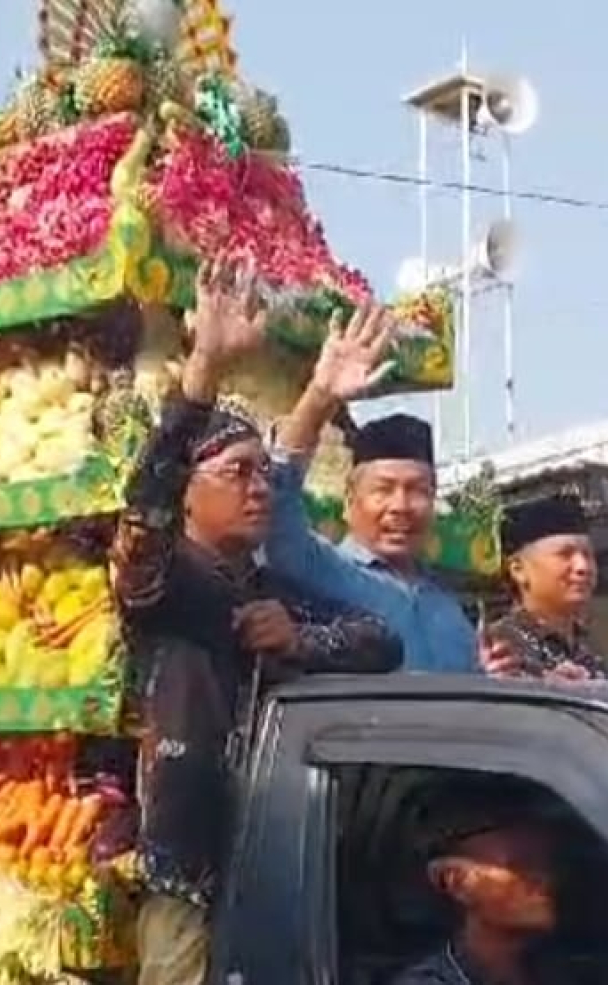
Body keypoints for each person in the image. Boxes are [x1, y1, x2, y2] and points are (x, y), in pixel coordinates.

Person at [111, 257, 403, 985]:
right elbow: (143, 509)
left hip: (281, 867)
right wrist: (203, 365)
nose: (258, 488)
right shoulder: (168, 583)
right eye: (237, 473)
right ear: (189, 496)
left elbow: (380, 639)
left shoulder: (273, 589)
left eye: (263, 474)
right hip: (188, 870)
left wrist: (299, 638)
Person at [266, 307, 483, 673]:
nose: (400, 506)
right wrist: (320, 397)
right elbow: (274, 502)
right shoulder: (320, 571)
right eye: (383, 489)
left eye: (417, 491)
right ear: (349, 501)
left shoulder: (451, 613)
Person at [393, 793, 567, 985]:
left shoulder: (569, 970)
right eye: (520, 865)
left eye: (547, 861)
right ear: (457, 882)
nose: (544, 877)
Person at [481, 494, 608, 682]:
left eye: (588, 555)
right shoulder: (500, 646)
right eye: (565, 554)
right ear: (518, 569)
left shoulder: (587, 647)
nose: (583, 567)